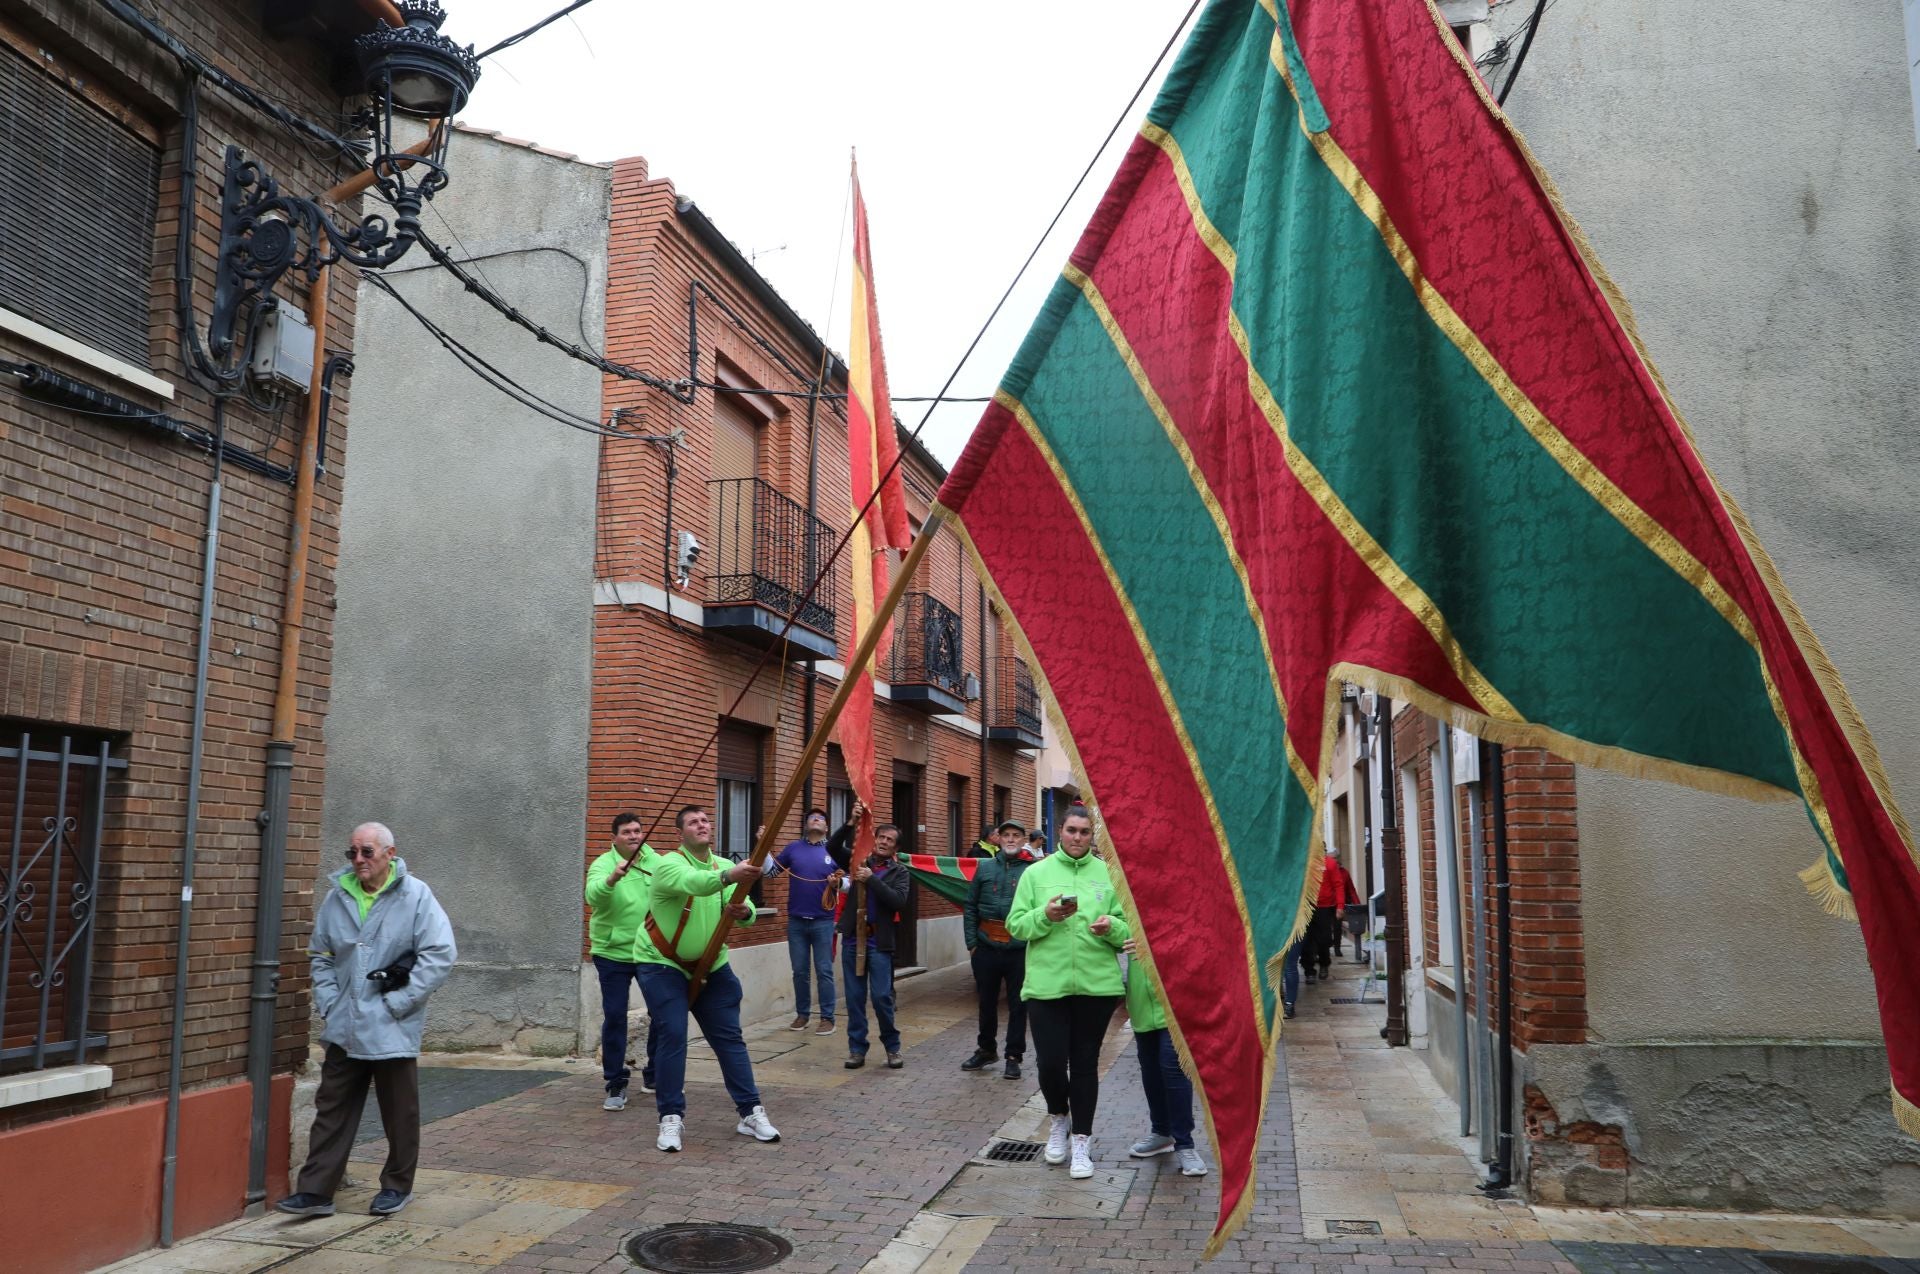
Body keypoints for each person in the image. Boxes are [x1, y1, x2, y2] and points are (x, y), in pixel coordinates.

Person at [278, 822, 455, 1219]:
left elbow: (439, 953)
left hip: (392, 1024)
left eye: (367, 852)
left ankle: (396, 1187)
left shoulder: (416, 896)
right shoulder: (337, 897)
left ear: (390, 854)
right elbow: (321, 956)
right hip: (344, 1025)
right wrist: (329, 1002)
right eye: (352, 853)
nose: (358, 860)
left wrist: (400, 1003)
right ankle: (315, 1192)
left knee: (399, 1113)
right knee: (332, 1109)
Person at [637, 805, 780, 1152]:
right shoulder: (667, 865)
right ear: (680, 834)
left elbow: (740, 910)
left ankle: (751, 1112)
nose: (701, 825)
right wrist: (731, 877)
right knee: (673, 1033)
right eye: (692, 822)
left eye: (704, 820)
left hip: (712, 964)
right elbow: (695, 884)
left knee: (729, 1038)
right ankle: (670, 1117)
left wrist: (743, 912)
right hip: (661, 964)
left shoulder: (722, 865)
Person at [1007, 805, 1129, 1179]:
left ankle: (1082, 1141)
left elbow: (1130, 933)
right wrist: (1045, 916)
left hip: (1097, 987)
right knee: (1049, 1064)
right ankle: (1058, 1117)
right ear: (1059, 831)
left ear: (1093, 837)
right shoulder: (1036, 873)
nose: (1078, 837)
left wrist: (1111, 927)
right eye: (1072, 830)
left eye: (1085, 832)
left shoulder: (1110, 875)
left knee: (1086, 1065)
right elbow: (1015, 926)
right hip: (1047, 987)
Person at [584, 812, 665, 1111]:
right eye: (627, 832)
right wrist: (612, 878)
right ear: (614, 838)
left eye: (638, 831)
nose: (634, 836)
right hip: (611, 952)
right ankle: (615, 1083)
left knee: (661, 1012)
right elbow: (592, 896)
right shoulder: (603, 864)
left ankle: (653, 1075)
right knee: (615, 1015)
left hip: (649, 951)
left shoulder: (656, 862)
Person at [826, 802, 910, 1069]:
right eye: (881, 837)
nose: (884, 842)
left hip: (879, 943)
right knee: (853, 997)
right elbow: (831, 848)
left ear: (896, 848)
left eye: (890, 840)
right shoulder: (857, 860)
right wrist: (851, 823)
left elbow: (897, 901)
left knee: (882, 997)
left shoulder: (900, 872)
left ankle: (892, 1048)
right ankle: (857, 1049)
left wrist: (871, 878)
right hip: (853, 940)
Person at [1121, 938, 1208, 1177]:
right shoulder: (1129, 901)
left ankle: (1185, 1144)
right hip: (1141, 1004)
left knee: (1173, 1070)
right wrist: (1110, 927)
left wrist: (1156, 944)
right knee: (1151, 1071)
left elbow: (1198, 938)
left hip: (1176, 1000)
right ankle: (1161, 1133)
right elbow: (1119, 931)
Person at [962, 819, 1032, 1079]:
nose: (1011, 839)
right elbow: (970, 906)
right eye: (1006, 835)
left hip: (1019, 949)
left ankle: (1014, 1056)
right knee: (986, 1003)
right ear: (998, 840)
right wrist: (972, 943)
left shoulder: (1031, 871)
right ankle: (986, 1049)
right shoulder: (984, 868)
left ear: (1023, 840)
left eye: (1016, 835)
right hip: (986, 947)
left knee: (1018, 1005)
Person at [770, 808, 840, 1036]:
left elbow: (848, 877)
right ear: (806, 825)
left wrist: (836, 883)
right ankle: (802, 1015)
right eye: (812, 817)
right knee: (799, 971)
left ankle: (828, 1018)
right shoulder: (793, 848)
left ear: (827, 827)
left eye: (821, 818)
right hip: (796, 921)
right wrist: (763, 845)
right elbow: (771, 873)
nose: (816, 819)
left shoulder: (834, 849)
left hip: (824, 921)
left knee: (824, 971)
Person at [1307, 851, 1360, 979]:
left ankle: (1324, 964)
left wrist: (1340, 906)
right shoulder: (1305, 862)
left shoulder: (1330, 863)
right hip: (1306, 907)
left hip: (1325, 908)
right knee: (1307, 941)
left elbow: (1338, 885)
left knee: (1324, 939)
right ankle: (1309, 971)